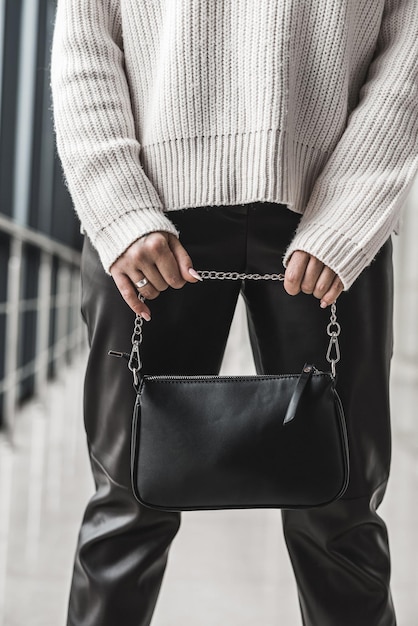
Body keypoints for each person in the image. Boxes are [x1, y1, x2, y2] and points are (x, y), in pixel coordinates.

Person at [51, 1, 418, 624]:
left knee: (340, 513)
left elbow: (409, 49)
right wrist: (118, 204)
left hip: (327, 216)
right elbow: (85, 41)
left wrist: (353, 210)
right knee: (125, 509)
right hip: (153, 217)